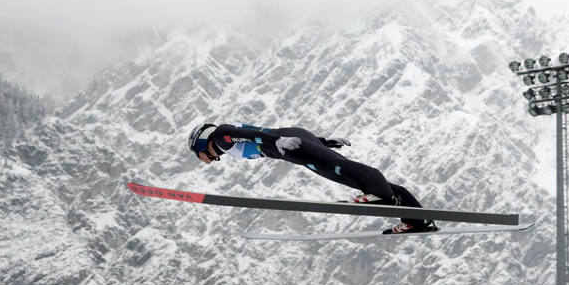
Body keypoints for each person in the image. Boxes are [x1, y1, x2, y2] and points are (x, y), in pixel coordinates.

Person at [187, 123, 438, 234]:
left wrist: (278, 142)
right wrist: (322, 142)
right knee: (339, 168)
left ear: (200, 141)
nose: (203, 160)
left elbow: (251, 134)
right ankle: (417, 218)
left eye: (199, 155)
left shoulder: (220, 136)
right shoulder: (224, 138)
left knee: (341, 169)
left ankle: (381, 197)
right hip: (292, 139)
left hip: (286, 145)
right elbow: (256, 134)